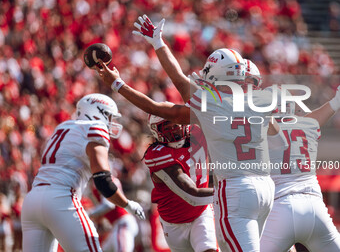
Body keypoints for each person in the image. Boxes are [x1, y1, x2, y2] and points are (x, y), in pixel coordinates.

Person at [95, 14, 288, 251]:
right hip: (266, 186)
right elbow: (279, 142)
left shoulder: (210, 108)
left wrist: (122, 80)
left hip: (236, 189)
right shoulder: (260, 101)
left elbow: (170, 89)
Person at [21, 93, 145, 252]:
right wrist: (127, 204)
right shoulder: (94, 128)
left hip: (32, 200)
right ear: (97, 112)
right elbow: (103, 181)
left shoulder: (63, 127)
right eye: (108, 116)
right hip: (61, 198)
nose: (110, 123)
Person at [260, 86, 340, 252]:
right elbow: (314, 118)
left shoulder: (257, 129)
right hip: (314, 206)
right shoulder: (308, 125)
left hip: (279, 206)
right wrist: (335, 101)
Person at [143, 114, 217, 252]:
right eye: (166, 126)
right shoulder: (159, 154)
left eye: (175, 123)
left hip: (202, 212)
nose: (173, 128)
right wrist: (230, 192)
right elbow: (192, 196)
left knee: (209, 249)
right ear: (156, 131)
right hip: (174, 223)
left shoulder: (198, 131)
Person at [87, 177, 139, 252]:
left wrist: (88, 214)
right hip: (117, 225)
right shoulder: (101, 180)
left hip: (122, 223)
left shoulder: (103, 180)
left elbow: (108, 205)